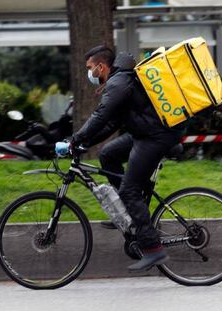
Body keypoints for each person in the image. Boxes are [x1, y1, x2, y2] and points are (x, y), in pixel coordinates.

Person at [60, 45, 184, 272]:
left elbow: (100, 116)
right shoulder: (120, 81)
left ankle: (152, 249)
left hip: (155, 136)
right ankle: (130, 213)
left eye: (90, 68)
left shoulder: (118, 83)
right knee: (107, 154)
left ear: (101, 66)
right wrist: (83, 144)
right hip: (145, 132)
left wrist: (74, 139)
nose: (89, 74)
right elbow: (111, 123)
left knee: (129, 189)